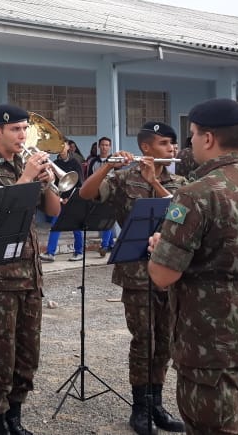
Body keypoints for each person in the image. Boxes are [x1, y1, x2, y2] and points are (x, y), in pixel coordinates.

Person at [147, 98, 238, 434]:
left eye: (191, 134)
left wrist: (158, 249)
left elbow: (163, 276)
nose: (188, 142)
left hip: (209, 335)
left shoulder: (196, 194)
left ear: (208, 138)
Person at [79, 121, 184, 435]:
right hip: (136, 272)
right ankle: (140, 408)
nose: (172, 149)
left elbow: (182, 214)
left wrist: (156, 182)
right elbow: (87, 193)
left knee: (165, 340)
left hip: (169, 269)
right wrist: (108, 167)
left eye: (173, 144)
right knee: (144, 340)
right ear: (146, 148)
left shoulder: (178, 179)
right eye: (165, 144)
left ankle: (157, 404)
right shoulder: (124, 178)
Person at [0, 103, 61, 435]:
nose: (22, 136)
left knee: (26, 355)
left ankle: (14, 417)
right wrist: (26, 178)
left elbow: (54, 210)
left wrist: (47, 181)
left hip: (29, 276)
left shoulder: (26, 164)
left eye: (24, 129)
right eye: (15, 130)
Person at [43, 142, 86, 262]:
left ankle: (79, 252)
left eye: (64, 145)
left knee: (76, 227)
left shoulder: (75, 162)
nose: (61, 148)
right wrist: (60, 198)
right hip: (60, 200)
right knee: (55, 226)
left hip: (73, 199)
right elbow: (53, 184)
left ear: (68, 147)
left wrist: (71, 198)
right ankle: (50, 253)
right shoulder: (55, 164)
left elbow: (80, 183)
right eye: (59, 145)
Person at [86, 136, 116, 256]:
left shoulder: (115, 160)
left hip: (110, 193)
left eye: (107, 145)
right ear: (99, 146)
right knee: (102, 219)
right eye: (102, 145)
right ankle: (110, 244)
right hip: (97, 193)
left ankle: (104, 246)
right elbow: (89, 177)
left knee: (107, 218)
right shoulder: (93, 161)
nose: (104, 147)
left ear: (110, 147)